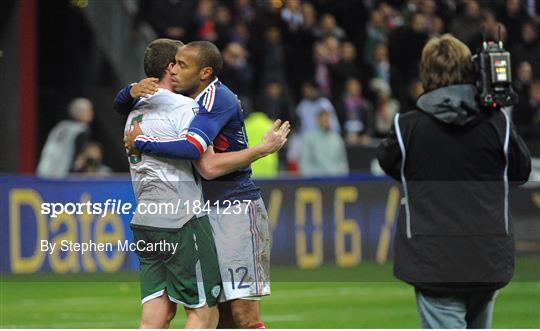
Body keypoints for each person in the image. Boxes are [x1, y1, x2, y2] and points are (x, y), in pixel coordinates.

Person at [117, 41, 286, 329]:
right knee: (218, 313)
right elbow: (121, 102)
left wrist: (141, 142)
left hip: (234, 208)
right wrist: (130, 91)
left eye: (183, 65)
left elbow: (205, 166)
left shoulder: (217, 99)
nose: (175, 70)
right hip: (201, 214)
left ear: (204, 72)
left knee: (244, 316)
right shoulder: (180, 99)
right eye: (174, 63)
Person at [377, 34, 531, 329]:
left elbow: (391, 164)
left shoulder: (407, 128)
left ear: (426, 74)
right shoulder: (497, 124)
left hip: (435, 262)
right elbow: (520, 171)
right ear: (471, 70)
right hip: (486, 258)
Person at [36, 97, 94, 178]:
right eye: (89, 110)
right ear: (80, 112)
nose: (91, 113)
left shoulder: (61, 126)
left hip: (45, 170)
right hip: (64, 174)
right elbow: (78, 159)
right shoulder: (82, 129)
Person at [299, 110, 349, 177]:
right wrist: (313, 179)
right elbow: (305, 163)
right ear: (317, 120)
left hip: (335, 180)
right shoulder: (309, 138)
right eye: (323, 118)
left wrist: (341, 177)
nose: (326, 120)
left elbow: (343, 162)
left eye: (327, 118)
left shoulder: (337, 139)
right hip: (316, 181)